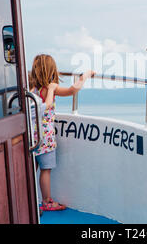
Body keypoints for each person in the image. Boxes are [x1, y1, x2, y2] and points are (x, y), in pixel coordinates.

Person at [29, 54, 95, 212]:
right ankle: (47, 201)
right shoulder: (51, 87)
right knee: (45, 170)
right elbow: (73, 90)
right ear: (51, 70)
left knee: (33, 168)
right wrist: (85, 76)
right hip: (46, 138)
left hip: (32, 136)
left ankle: (28, 199)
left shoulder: (32, 89)